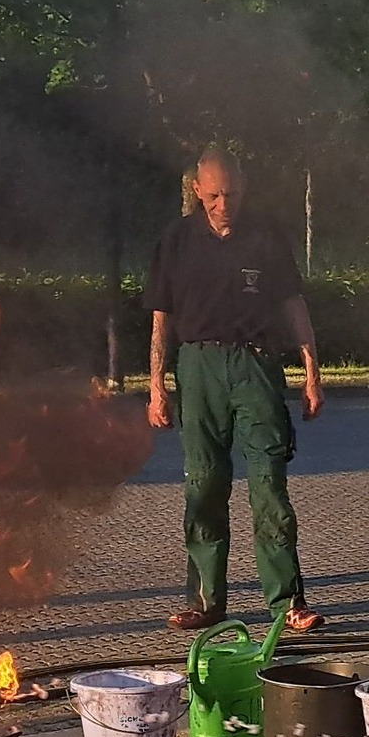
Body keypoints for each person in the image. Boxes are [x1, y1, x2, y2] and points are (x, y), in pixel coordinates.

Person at [146, 146, 325, 632]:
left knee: (269, 485)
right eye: (214, 195)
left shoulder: (267, 238)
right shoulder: (176, 242)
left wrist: (311, 372)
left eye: (232, 194)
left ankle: (287, 603)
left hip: (256, 366)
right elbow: (161, 317)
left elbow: (294, 306)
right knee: (203, 485)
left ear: (243, 189)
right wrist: (157, 387)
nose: (224, 204)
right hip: (197, 367)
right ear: (197, 191)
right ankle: (207, 603)